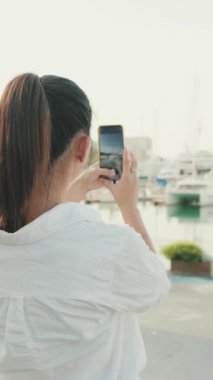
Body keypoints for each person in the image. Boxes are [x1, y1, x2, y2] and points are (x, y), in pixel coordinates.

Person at [0, 73, 170, 380]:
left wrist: (72, 192)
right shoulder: (109, 251)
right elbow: (155, 287)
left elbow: (39, 238)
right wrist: (128, 206)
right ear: (83, 148)